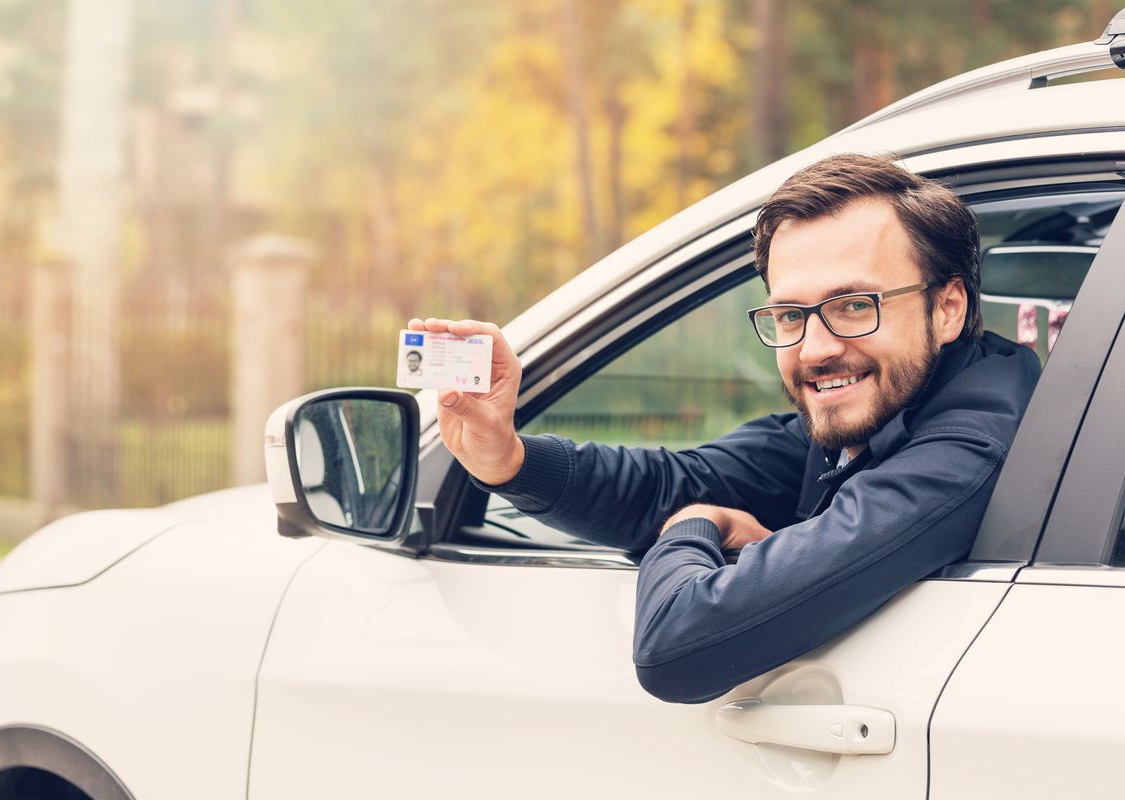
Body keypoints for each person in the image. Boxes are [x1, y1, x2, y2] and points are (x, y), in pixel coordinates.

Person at [408, 153, 1041, 704]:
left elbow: (677, 645)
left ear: (948, 306)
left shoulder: (965, 449)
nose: (815, 348)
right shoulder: (886, 406)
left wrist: (694, 525)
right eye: (790, 314)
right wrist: (507, 459)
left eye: (854, 305)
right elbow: (675, 482)